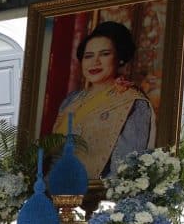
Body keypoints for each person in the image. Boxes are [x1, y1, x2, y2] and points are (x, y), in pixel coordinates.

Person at [51, 20, 156, 181]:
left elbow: (126, 167)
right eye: (88, 56)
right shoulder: (70, 101)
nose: (95, 62)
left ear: (119, 58)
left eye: (105, 54)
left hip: (99, 195)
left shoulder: (132, 102)